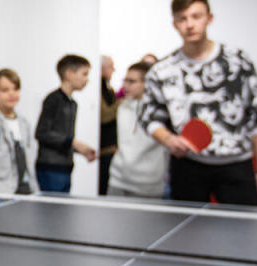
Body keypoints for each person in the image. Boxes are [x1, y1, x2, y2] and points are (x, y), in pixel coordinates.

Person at [139, 0, 257, 206]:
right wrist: (169, 139)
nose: (189, 24)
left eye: (196, 16)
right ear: (174, 24)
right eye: (182, 19)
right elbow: (150, 117)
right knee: (187, 236)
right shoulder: (162, 70)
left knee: (242, 235)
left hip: (236, 165)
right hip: (188, 166)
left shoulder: (238, 62)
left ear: (209, 19)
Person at [33, 54, 96, 193]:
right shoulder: (53, 99)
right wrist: (74, 143)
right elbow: (42, 133)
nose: (87, 79)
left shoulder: (72, 103)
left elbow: (63, 138)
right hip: (51, 168)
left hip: (65, 167)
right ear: (69, 74)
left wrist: (80, 150)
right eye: (84, 74)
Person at [107, 61, 167, 198]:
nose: (125, 85)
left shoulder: (161, 112)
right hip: (118, 181)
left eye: (131, 81)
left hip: (148, 185)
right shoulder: (122, 107)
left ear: (147, 83)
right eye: (125, 80)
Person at [0, 68, 35, 204]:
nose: (11, 94)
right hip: (0, 192)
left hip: (24, 190)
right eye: (5, 90)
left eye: (15, 89)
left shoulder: (24, 123)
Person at [99, 55, 118, 194]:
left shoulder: (109, 90)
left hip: (111, 149)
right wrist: (122, 103)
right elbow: (105, 116)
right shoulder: (97, 89)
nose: (114, 70)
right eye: (111, 66)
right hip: (103, 150)